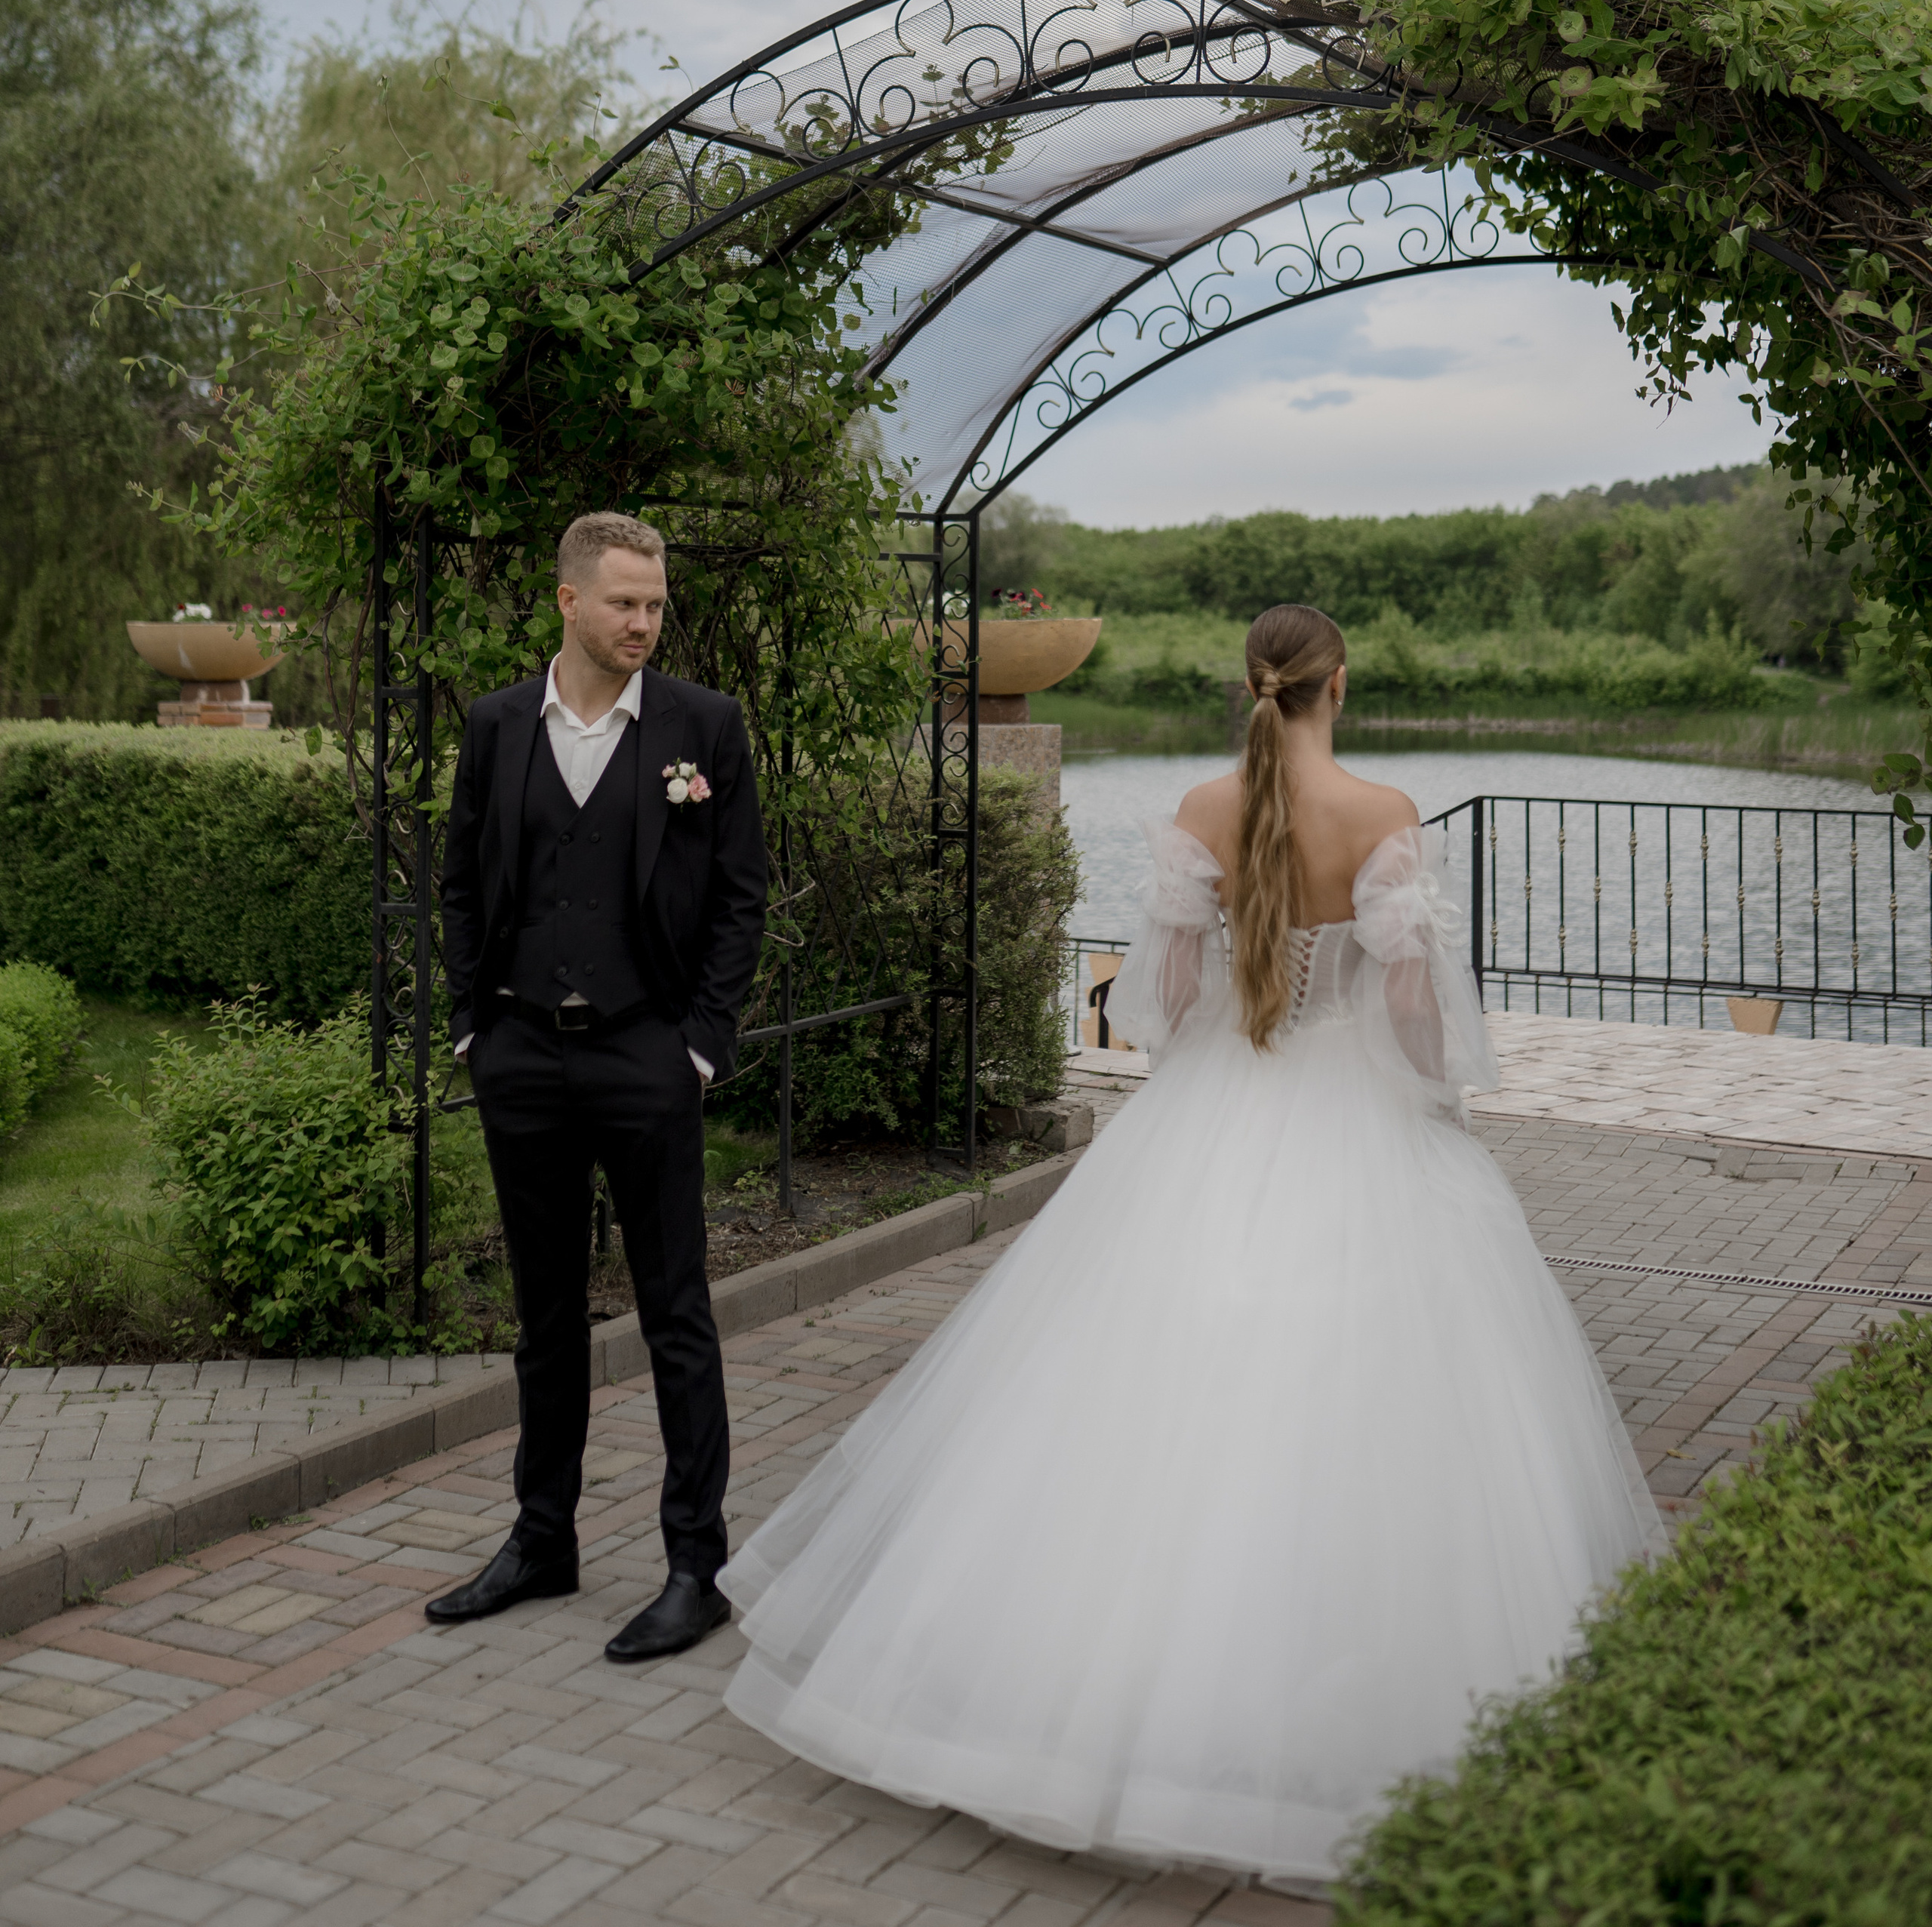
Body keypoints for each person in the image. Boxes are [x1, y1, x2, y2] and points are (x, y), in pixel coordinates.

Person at [718, 604, 1663, 1885]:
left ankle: (1067, 1695)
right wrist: (1438, 1102)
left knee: (1138, 1390)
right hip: (1357, 1121)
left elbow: (1157, 1005)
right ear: (1340, 685)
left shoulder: (1201, 809)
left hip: (1216, 1107)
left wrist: (1218, 1044)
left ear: (1251, 688)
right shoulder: (1386, 812)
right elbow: (1408, 1002)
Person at [427, 510, 767, 1661]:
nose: (643, 623)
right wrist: (475, 1024)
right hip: (523, 1054)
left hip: (645, 1052)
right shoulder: (495, 728)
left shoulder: (701, 728)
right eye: (624, 602)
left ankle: (694, 1564)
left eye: (656, 604)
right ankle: (542, 1538)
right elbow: (463, 884)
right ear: (567, 600)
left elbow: (739, 896)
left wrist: (702, 1042)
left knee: (676, 1312)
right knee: (544, 1317)